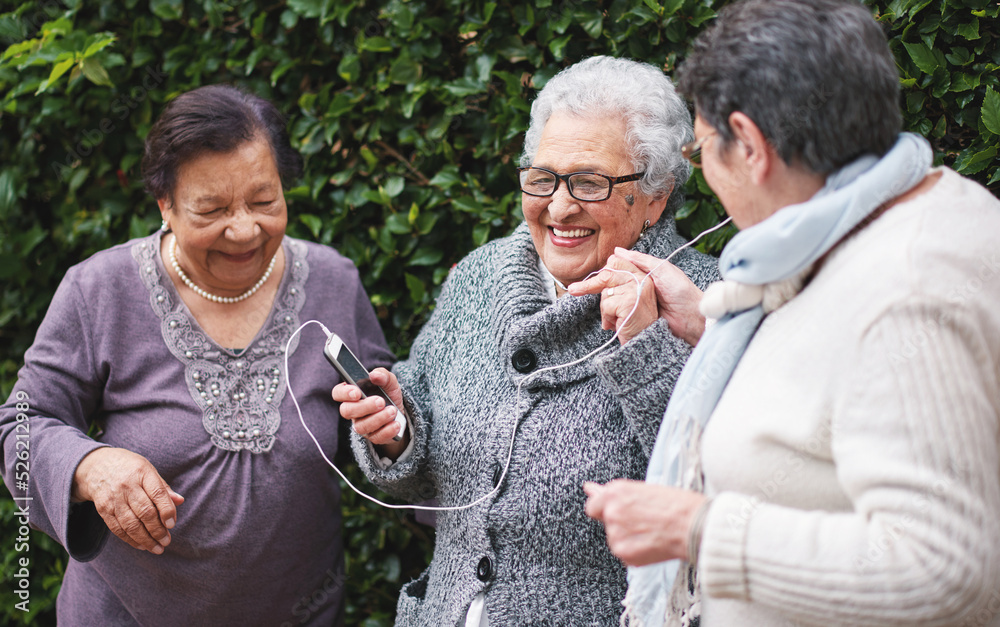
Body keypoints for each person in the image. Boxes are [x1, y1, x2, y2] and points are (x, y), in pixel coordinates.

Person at [581, 1, 1000, 625]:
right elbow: (839, 376)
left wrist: (699, 529)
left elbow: (944, 567)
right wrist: (706, 321)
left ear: (749, 145)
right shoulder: (899, 211)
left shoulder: (908, 290)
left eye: (706, 152)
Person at [333, 55, 719, 625]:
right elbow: (424, 462)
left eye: (590, 182)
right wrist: (396, 431)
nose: (559, 207)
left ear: (656, 195)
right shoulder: (479, 277)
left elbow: (716, 491)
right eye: (543, 179)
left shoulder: (706, 302)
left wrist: (645, 349)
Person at [0, 85, 394, 625]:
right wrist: (88, 465)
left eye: (264, 201)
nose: (244, 229)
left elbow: (387, 433)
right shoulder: (100, 290)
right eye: (211, 209)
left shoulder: (333, 281)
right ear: (165, 203)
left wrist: (391, 430)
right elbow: (20, 426)